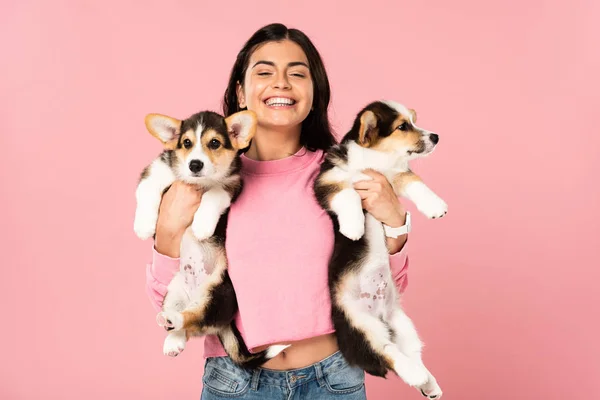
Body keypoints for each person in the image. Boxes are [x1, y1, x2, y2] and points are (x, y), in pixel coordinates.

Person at [145, 23, 411, 399]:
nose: (282, 83)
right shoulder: (201, 179)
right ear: (241, 91)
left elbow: (383, 293)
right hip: (235, 382)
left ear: (315, 93)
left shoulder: (339, 175)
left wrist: (396, 225)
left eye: (298, 73)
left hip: (334, 380)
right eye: (265, 71)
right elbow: (170, 303)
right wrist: (168, 230)